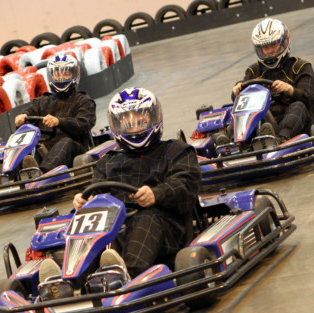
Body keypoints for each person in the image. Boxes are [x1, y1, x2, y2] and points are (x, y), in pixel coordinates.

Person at [41, 87, 201, 285]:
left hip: (164, 230)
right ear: (116, 125)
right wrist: (83, 202)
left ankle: (128, 276)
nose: (134, 128)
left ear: (154, 118)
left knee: (146, 217)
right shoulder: (107, 162)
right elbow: (96, 192)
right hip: (116, 230)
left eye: (140, 121)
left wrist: (157, 194)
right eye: (127, 123)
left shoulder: (177, 151)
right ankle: (69, 282)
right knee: (90, 224)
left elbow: (186, 185)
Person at [0, 53, 96, 175]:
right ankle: (7, 174)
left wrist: (59, 121)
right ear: (51, 76)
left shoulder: (83, 100)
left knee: (65, 142)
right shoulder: (43, 100)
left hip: (72, 149)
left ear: (74, 75)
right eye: (57, 74)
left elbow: (84, 124)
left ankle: (41, 174)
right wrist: (23, 117)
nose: (61, 77)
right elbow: (30, 111)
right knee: (28, 144)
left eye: (65, 73)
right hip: (44, 149)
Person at [231, 18, 314, 142]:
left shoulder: (300, 67)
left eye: (273, 45)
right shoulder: (254, 71)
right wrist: (236, 91)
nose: (269, 51)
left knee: (299, 106)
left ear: (284, 43)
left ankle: (280, 139)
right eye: (265, 47)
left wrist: (290, 89)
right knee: (238, 113)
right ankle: (233, 141)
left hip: (295, 122)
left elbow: (308, 97)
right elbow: (240, 102)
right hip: (266, 121)